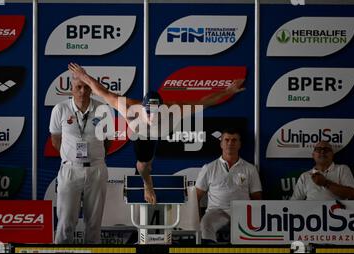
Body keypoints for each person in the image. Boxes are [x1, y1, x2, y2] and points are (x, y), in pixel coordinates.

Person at [68, 63, 245, 205]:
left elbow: (204, 102)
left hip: (161, 132)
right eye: (148, 112)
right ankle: (148, 185)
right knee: (143, 166)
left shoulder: (174, 110)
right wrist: (84, 76)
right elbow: (103, 92)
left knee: (149, 157)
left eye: (156, 112)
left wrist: (227, 91)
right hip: (142, 135)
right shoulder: (129, 108)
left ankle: (150, 162)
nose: (152, 116)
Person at [50, 71, 113, 244]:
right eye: (79, 87)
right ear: (71, 89)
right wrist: (71, 157)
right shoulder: (60, 109)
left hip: (97, 169)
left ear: (92, 89)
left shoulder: (103, 109)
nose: (83, 91)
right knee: (65, 223)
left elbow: (108, 141)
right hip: (70, 169)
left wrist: (95, 157)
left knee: (94, 224)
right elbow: (56, 140)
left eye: (86, 87)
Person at [195, 127, 262, 244]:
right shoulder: (209, 168)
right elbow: (196, 197)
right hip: (216, 212)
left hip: (242, 212)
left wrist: (254, 217)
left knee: (250, 228)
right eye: (227, 140)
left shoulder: (250, 169)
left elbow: (257, 198)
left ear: (239, 144)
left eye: (234, 140)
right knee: (206, 223)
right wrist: (196, 218)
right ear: (221, 144)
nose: (230, 143)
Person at [290, 141, 354, 200]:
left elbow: (351, 194)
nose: (322, 152)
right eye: (318, 150)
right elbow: (294, 202)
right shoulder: (305, 176)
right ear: (313, 155)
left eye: (326, 150)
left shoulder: (342, 169)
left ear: (332, 154)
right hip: (311, 213)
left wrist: (325, 183)